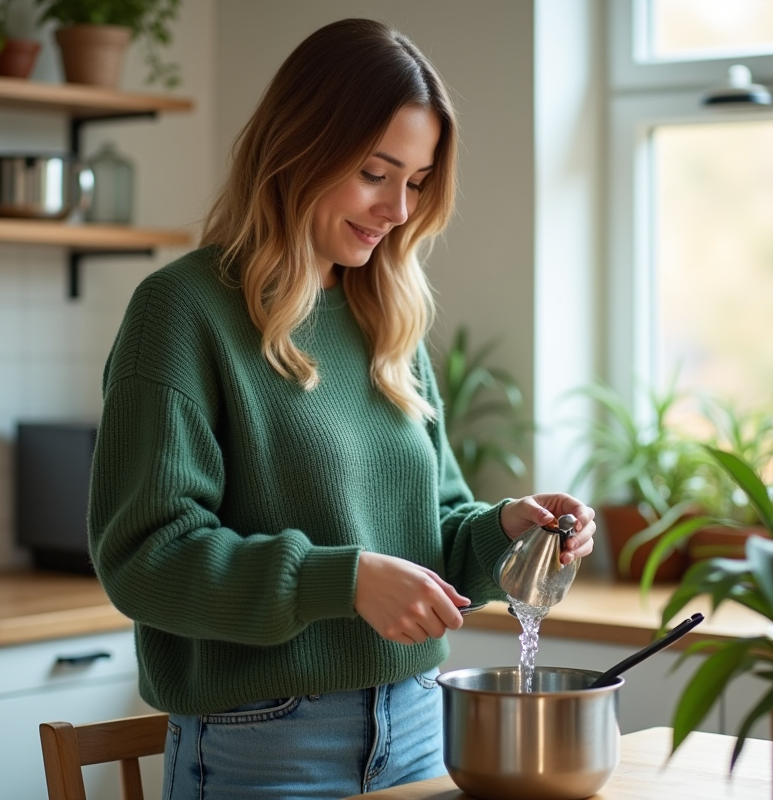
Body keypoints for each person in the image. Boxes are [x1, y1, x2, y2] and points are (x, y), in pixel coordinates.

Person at [87, 17, 596, 799]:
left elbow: (434, 532)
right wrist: (341, 581)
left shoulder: (386, 317)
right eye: (374, 172)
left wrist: (507, 532)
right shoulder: (182, 313)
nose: (398, 208)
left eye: (417, 181)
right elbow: (145, 559)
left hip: (420, 725)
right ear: (299, 147)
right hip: (264, 744)